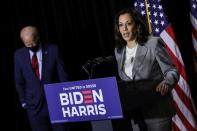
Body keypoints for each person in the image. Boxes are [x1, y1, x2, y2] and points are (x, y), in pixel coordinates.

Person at [112, 8, 180, 131]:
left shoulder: (152, 44)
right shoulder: (119, 51)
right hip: (136, 115)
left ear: (137, 25)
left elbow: (172, 70)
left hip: (157, 112)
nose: (124, 28)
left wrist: (166, 83)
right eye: (121, 25)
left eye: (128, 23)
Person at [14, 26, 69, 131]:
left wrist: (65, 97)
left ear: (38, 37)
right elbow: (19, 81)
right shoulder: (18, 55)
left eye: (33, 43)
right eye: (27, 44)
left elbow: (63, 76)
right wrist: (23, 101)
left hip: (56, 103)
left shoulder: (53, 50)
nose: (31, 46)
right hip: (34, 107)